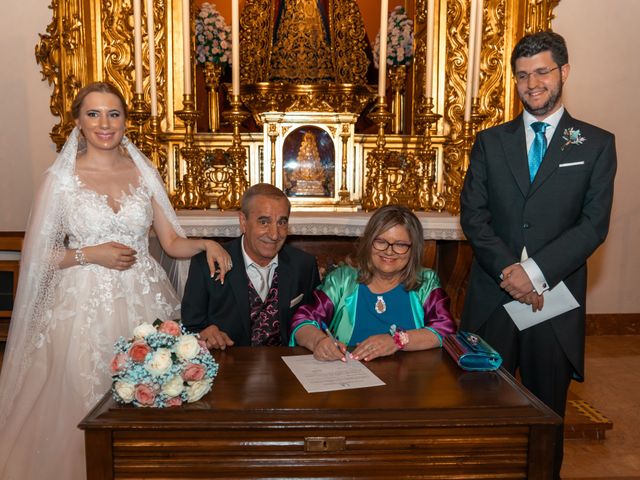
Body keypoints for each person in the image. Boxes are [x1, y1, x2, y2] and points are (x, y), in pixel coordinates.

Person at [0, 82, 232, 480]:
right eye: (93, 114)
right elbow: (39, 255)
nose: (104, 124)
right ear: (77, 122)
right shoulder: (60, 180)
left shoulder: (143, 172)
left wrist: (206, 243)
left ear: (125, 121)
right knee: (80, 392)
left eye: (113, 114)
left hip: (144, 299)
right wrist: (92, 253)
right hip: (80, 307)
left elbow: (171, 241)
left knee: (152, 387)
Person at [459, 31, 617, 478]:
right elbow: (474, 216)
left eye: (542, 72)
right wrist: (510, 273)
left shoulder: (596, 144)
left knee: (545, 421)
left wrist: (534, 273)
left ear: (563, 72)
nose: (532, 84)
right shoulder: (491, 142)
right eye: (523, 75)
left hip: (555, 302)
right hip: (495, 297)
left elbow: (593, 225)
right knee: (485, 412)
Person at [290, 205, 456, 361]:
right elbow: (303, 320)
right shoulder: (343, 279)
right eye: (381, 242)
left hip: (409, 381)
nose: (389, 251)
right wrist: (319, 341)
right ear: (369, 242)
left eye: (400, 245)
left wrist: (397, 341)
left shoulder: (425, 282)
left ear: (413, 249)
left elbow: (445, 330)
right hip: (349, 378)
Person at [182, 183, 321, 348]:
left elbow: (314, 320)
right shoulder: (206, 265)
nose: (275, 234)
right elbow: (190, 328)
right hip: (230, 368)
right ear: (243, 221)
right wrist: (204, 334)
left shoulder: (304, 265)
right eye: (264, 222)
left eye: (282, 222)